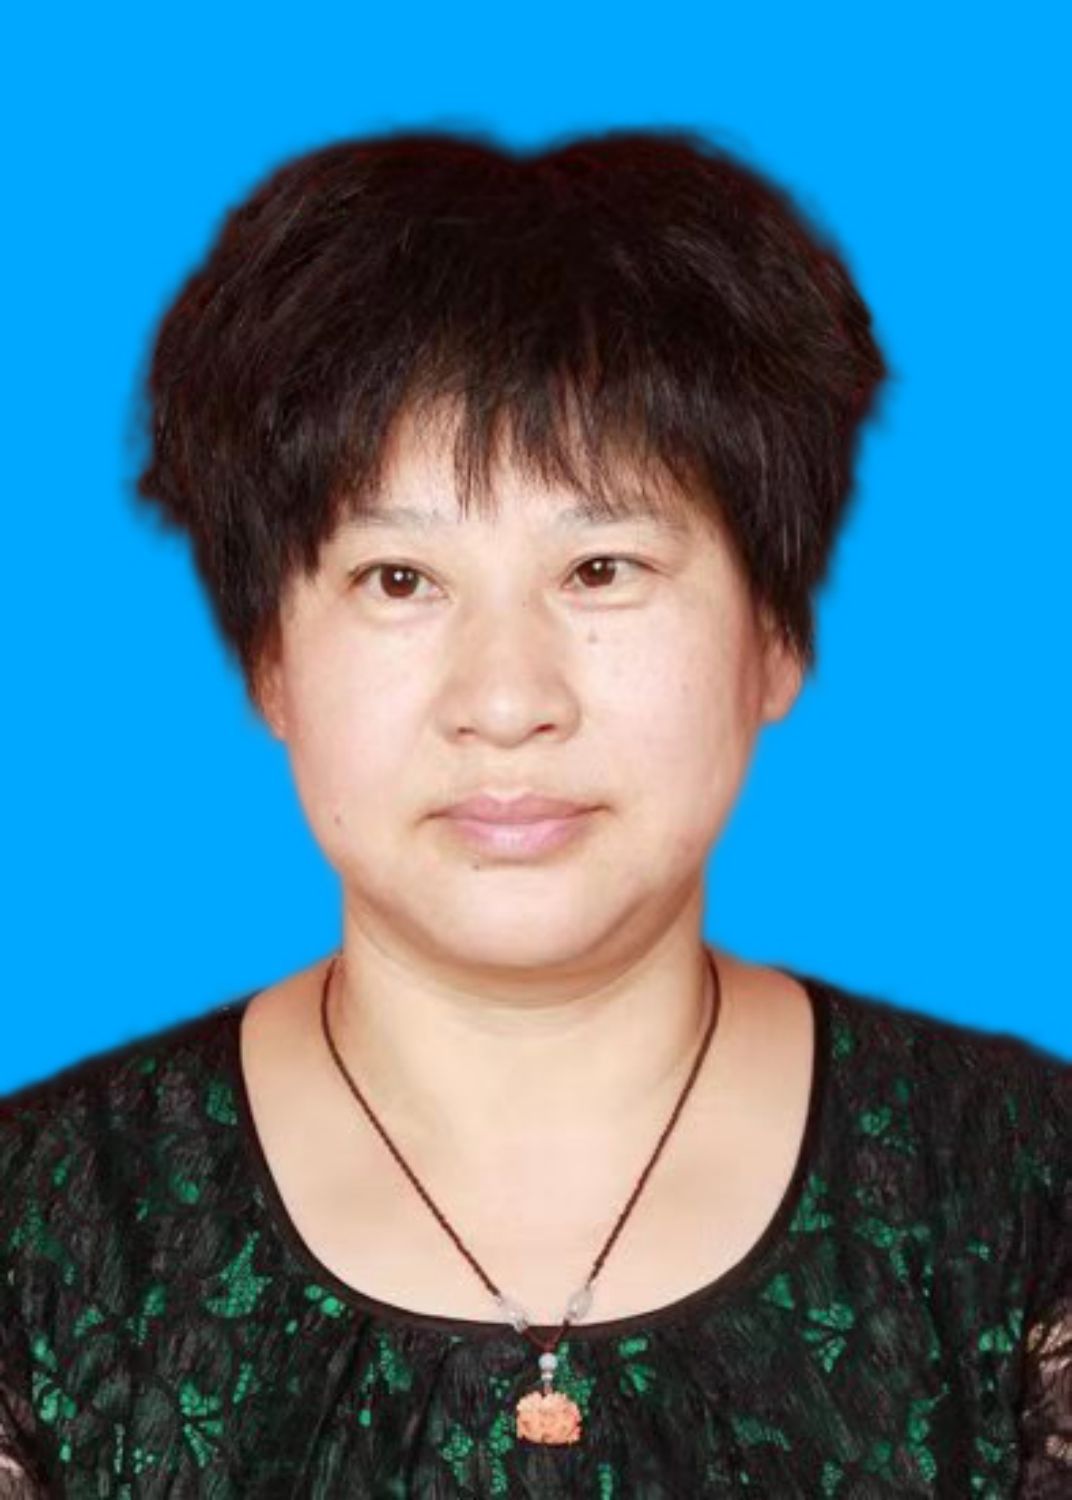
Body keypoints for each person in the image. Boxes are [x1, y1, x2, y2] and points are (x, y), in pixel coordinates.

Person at [0, 127, 1068, 1498]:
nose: (506, 702)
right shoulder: (38, 1242)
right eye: (398, 580)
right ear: (268, 660)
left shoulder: (1027, 1202)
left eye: (601, 567)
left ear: (776, 636)